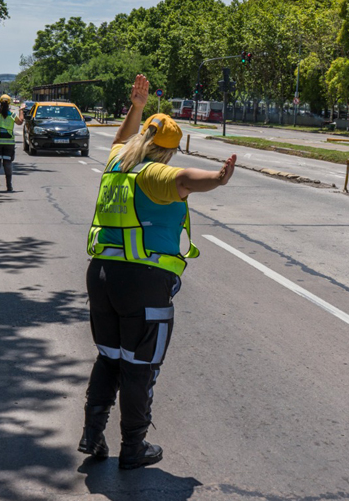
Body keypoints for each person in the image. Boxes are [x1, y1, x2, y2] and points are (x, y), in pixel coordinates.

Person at [78, 74, 236, 470]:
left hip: (101, 277)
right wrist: (217, 178)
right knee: (138, 366)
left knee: (108, 358)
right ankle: (133, 447)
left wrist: (136, 108)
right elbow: (184, 179)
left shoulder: (117, 161)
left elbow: (121, 138)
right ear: (168, 150)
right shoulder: (155, 174)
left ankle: (92, 435)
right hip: (143, 286)